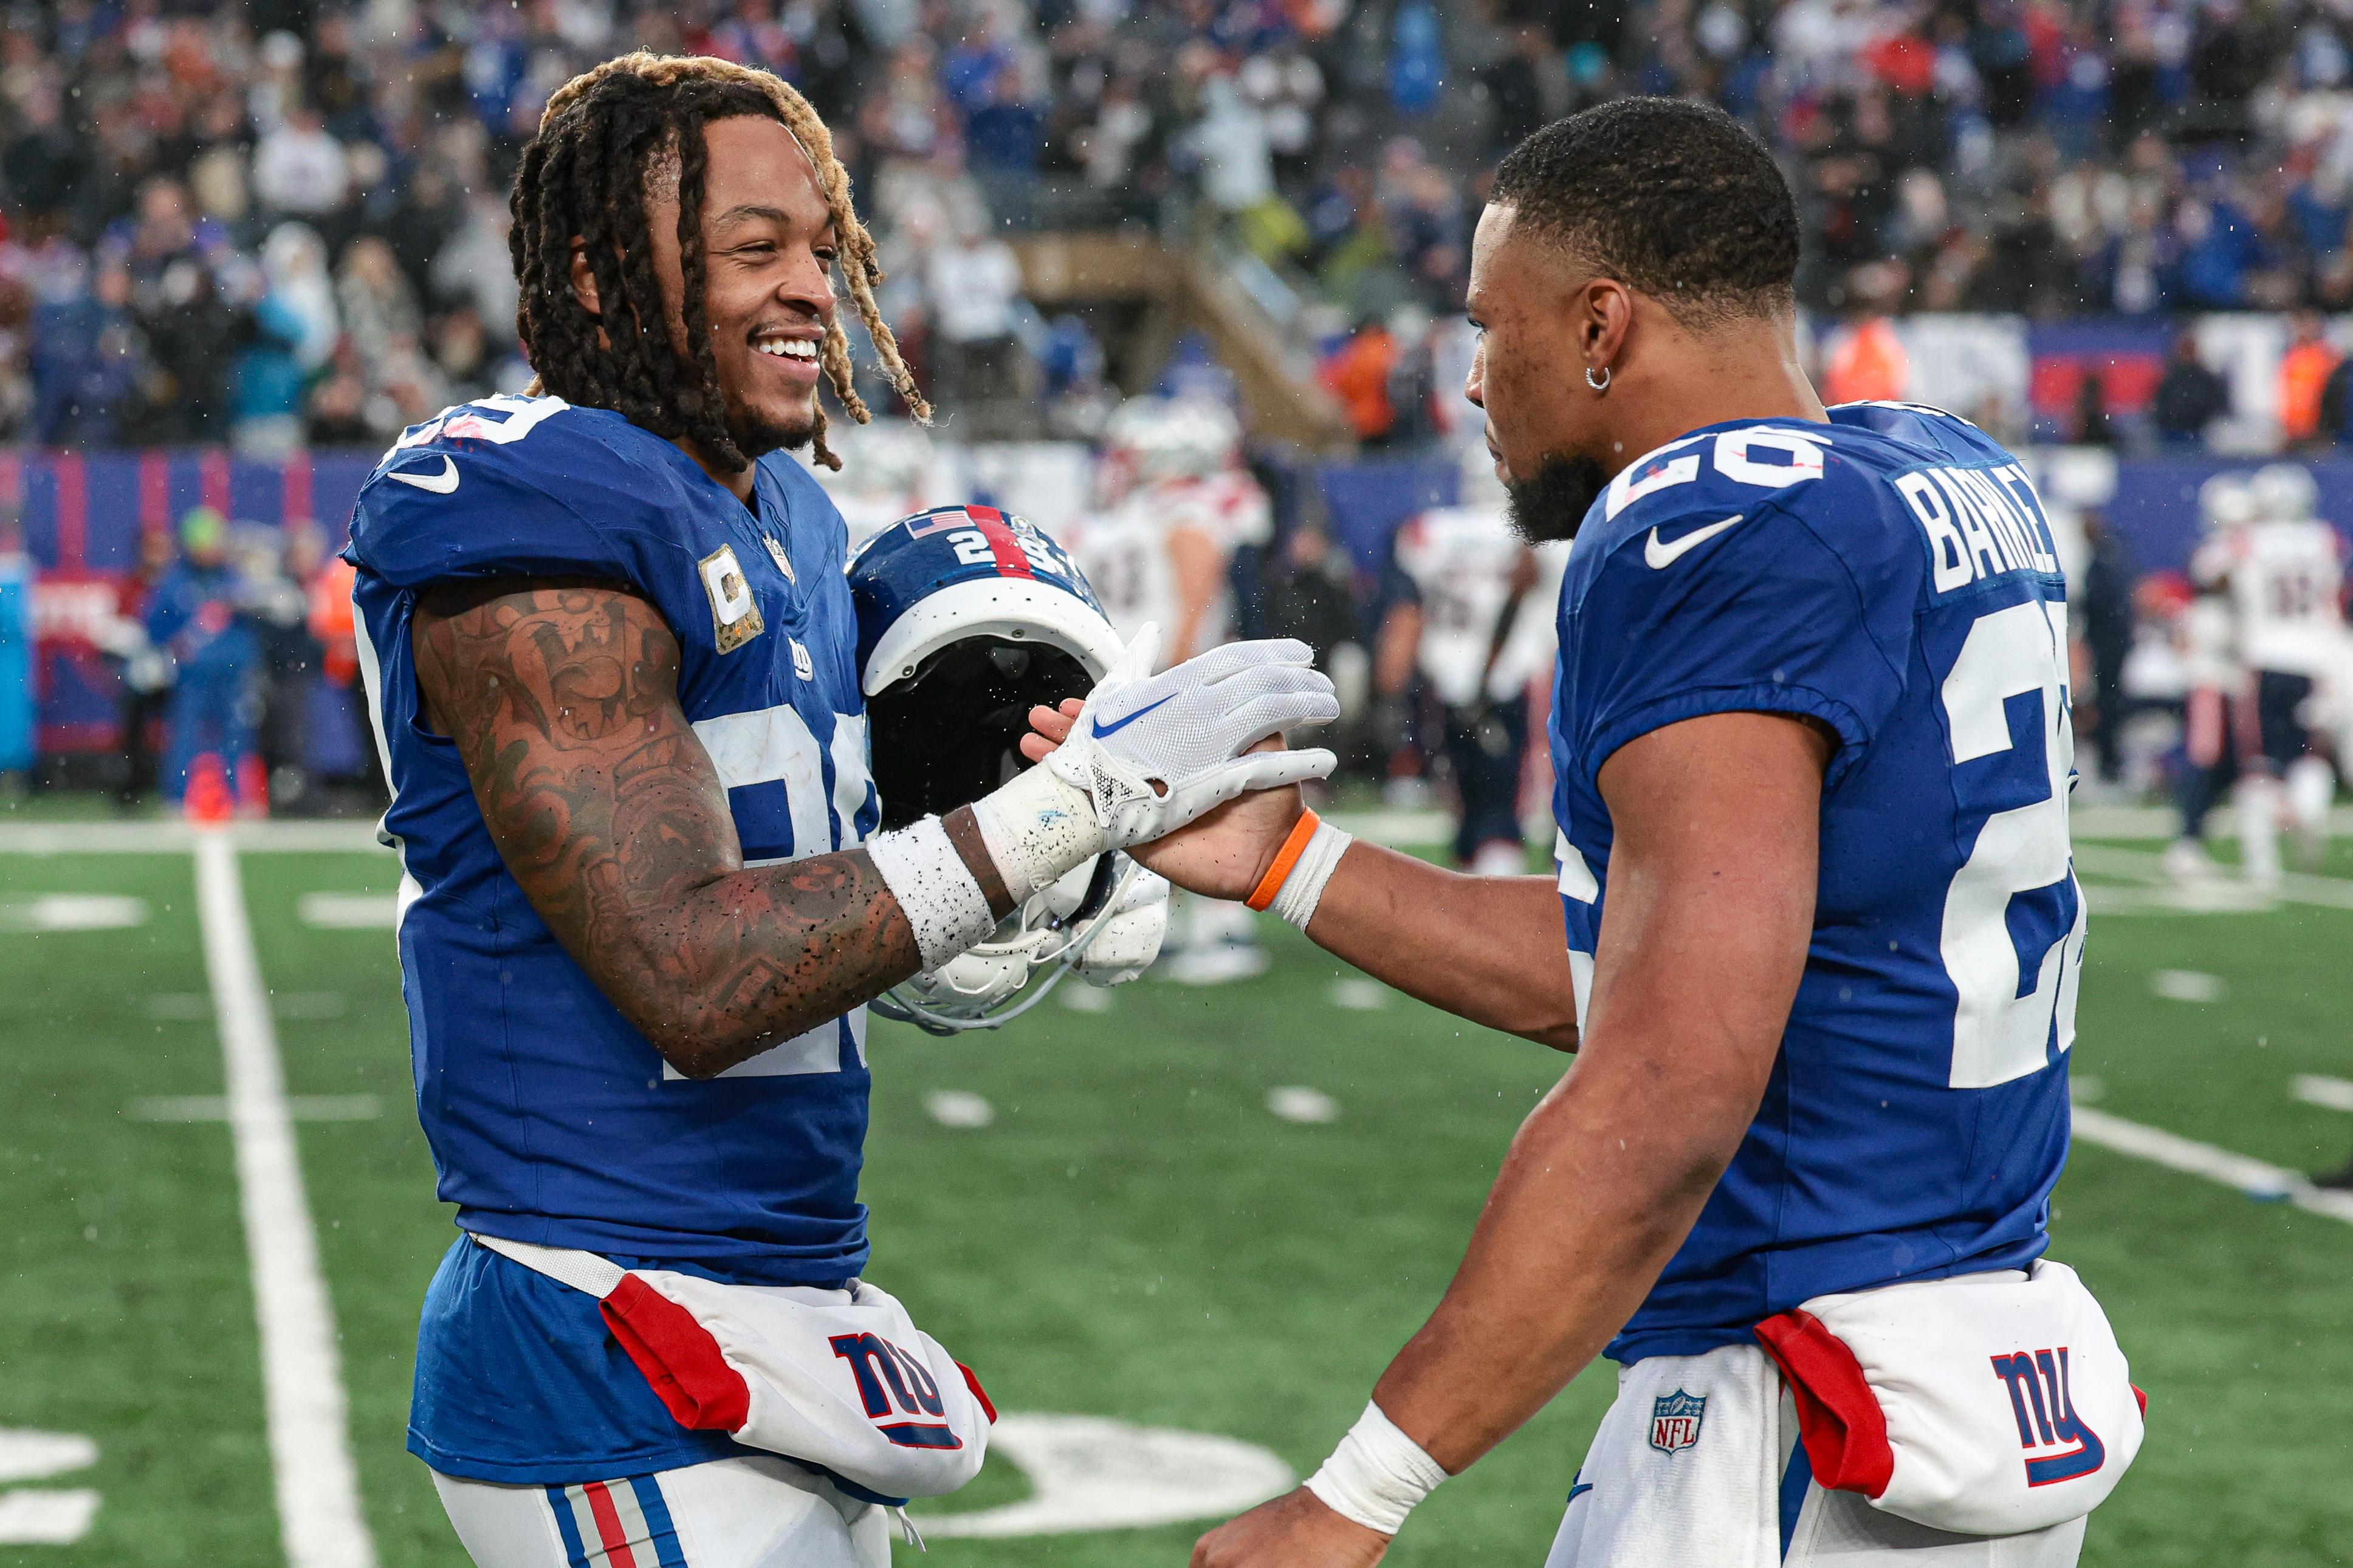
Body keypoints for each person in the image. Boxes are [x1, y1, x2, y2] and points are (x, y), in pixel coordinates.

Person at [1056, 99, 2139, 1568]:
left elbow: (1672, 1079)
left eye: (1488, 329)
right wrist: (1288, 859)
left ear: (1601, 327)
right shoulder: (1943, 473)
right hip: (1964, 1360)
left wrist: (1352, 1494)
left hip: (1794, 1407)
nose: (1472, 382)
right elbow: (1660, 961)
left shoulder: (1709, 521)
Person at [341, 54, 1333, 1568]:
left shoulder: (790, 511)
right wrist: (1063, 811)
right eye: (756, 250)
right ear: (605, 276)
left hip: (790, 1293)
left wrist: (1012, 903)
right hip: (608, 1317)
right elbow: (693, 972)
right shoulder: (533, 519)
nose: (815, 286)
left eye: (824, 245)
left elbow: (816, 899)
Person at [1378, 445, 1559, 874]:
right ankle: (1496, 918)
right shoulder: (1534, 532)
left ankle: (1470, 910)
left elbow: (1407, 616)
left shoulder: (1430, 531)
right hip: (1508, 679)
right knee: (1505, 810)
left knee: (1464, 808)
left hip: (1444, 681)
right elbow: (1527, 585)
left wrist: (1389, 689)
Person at [2191, 462, 2346, 881]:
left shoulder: (2247, 540)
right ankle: (2308, 812)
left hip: (2265, 659)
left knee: (2259, 764)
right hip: (2315, 660)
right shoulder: (2323, 539)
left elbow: (2207, 569)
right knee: (2310, 756)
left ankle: (2263, 866)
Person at [145, 506, 263, 810]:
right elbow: (156, 627)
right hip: (192, 675)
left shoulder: (234, 579)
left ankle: (241, 800)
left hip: (231, 672)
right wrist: (174, 647)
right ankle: (175, 798)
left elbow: (256, 620)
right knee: (184, 736)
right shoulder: (174, 582)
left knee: (237, 737)